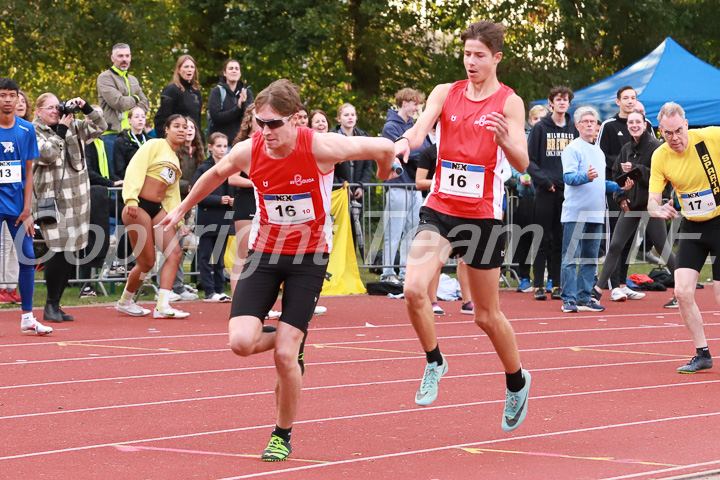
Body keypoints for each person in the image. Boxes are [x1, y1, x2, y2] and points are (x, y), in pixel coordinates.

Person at [157, 79, 396, 461]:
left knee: (285, 357)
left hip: (308, 258)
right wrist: (183, 207)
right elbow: (215, 174)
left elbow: (384, 147)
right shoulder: (249, 149)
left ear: (296, 119)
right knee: (240, 343)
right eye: (258, 122)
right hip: (265, 254)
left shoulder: (320, 146)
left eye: (273, 124)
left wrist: (385, 173)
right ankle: (291, 337)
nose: (264, 131)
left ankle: (281, 434)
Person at [395, 20, 531, 431]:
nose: (471, 62)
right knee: (414, 289)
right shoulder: (444, 92)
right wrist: (405, 142)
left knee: (486, 316)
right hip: (439, 208)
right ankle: (435, 360)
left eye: (479, 56)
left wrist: (506, 140)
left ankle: (516, 381)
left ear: (496, 59)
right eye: (467, 54)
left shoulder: (510, 102)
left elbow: (523, 164)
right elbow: (420, 130)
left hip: (482, 216)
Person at [648, 102, 720, 373]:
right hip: (692, 227)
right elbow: (652, 201)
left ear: (687, 124)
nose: (675, 138)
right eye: (668, 133)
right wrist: (658, 209)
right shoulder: (660, 156)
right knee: (682, 291)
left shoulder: (712, 137)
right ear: (660, 132)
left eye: (679, 130)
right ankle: (702, 354)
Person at [33, 93, 107, 323]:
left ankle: (56, 303)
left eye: (58, 107)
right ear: (38, 111)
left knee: (70, 252)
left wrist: (84, 108)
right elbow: (46, 154)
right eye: (50, 108)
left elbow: (101, 126)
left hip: (78, 200)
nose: (56, 111)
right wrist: (62, 131)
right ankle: (50, 305)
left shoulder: (74, 123)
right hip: (51, 200)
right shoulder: (31, 131)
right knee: (57, 250)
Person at [593, 109, 677, 306]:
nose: (634, 125)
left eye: (638, 122)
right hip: (631, 205)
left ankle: (683, 291)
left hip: (652, 205)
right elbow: (616, 176)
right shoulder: (627, 148)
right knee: (615, 245)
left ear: (645, 124)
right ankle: (597, 290)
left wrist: (637, 171)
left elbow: (664, 179)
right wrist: (620, 195)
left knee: (663, 249)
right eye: (631, 123)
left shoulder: (656, 147)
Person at [116, 114, 192, 318]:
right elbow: (135, 168)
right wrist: (130, 198)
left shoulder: (176, 159)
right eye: (176, 126)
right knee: (147, 263)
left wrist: (179, 219)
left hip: (157, 209)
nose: (182, 130)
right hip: (138, 206)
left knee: (175, 253)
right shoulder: (155, 145)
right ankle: (125, 301)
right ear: (166, 129)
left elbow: (172, 194)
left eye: (185, 127)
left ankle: (162, 306)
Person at [559, 107, 632, 313]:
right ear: (578, 126)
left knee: (590, 258)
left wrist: (619, 186)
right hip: (575, 212)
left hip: (596, 213)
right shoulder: (572, 149)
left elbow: (601, 184)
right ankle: (569, 299)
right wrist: (586, 177)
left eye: (594, 122)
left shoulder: (598, 152)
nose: (591, 124)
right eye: (586, 121)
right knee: (571, 257)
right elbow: (569, 178)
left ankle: (584, 297)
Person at [0, 79, 52, 335]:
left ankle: (28, 318)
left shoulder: (26, 129)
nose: (8, 100)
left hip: (16, 206)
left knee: (28, 257)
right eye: (2, 95)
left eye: (12, 95)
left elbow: (29, 170)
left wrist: (27, 208)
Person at [596, 86, 655, 301]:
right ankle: (612, 287)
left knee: (629, 241)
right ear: (617, 101)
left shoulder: (646, 126)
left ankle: (622, 283)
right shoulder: (608, 126)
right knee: (616, 241)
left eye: (633, 98)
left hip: (641, 194)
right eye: (626, 98)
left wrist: (638, 172)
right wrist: (622, 172)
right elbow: (600, 156)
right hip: (617, 190)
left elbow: (656, 158)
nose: (630, 101)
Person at [526, 86, 578, 301]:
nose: (562, 103)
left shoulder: (573, 129)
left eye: (566, 100)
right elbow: (529, 160)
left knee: (559, 238)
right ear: (551, 103)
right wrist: (545, 182)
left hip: (566, 191)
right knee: (542, 237)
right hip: (545, 190)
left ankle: (556, 283)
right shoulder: (540, 128)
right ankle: (538, 284)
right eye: (558, 99)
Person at [415, 138, 474, 315]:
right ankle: (432, 301)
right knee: (437, 259)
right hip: (439, 210)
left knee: (465, 258)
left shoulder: (466, 150)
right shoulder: (429, 152)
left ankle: (467, 301)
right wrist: (442, 183)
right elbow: (419, 182)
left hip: (464, 208)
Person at [380, 88, 429, 283]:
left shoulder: (414, 126)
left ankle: (405, 272)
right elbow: (403, 152)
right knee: (394, 229)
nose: (417, 107)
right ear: (404, 103)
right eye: (414, 103)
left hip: (413, 185)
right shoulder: (390, 126)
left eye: (418, 104)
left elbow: (422, 150)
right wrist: (416, 151)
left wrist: (415, 150)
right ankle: (387, 272)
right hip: (397, 184)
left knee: (411, 230)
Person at [192, 132, 233, 302]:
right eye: (219, 146)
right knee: (206, 256)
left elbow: (232, 190)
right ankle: (209, 291)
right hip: (208, 218)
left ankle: (219, 289)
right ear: (210, 148)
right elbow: (197, 194)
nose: (222, 149)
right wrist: (219, 200)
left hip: (224, 219)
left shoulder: (230, 167)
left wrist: (232, 200)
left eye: (225, 146)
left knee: (220, 257)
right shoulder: (203, 168)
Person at [97, 43, 150, 167]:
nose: (124, 59)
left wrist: (133, 105)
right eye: (120, 56)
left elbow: (146, 103)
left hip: (132, 136)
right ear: (112, 58)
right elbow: (119, 103)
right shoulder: (105, 78)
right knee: (115, 175)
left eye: (127, 56)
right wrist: (136, 99)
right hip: (112, 134)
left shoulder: (133, 80)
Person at [155, 55, 203, 140]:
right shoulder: (171, 90)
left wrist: (201, 141)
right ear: (178, 69)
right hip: (176, 140)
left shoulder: (196, 92)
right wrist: (165, 142)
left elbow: (197, 121)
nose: (189, 70)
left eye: (192, 67)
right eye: (186, 67)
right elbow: (161, 119)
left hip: (193, 141)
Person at [207, 59, 253, 143]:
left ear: (240, 73)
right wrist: (237, 109)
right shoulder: (217, 91)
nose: (234, 71)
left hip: (241, 143)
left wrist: (243, 104)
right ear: (224, 73)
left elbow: (250, 117)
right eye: (231, 68)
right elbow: (216, 117)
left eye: (236, 69)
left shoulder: (246, 93)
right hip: (221, 144)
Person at [114, 106, 150, 180]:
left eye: (143, 117)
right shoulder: (121, 141)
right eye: (136, 117)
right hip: (131, 182)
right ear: (129, 120)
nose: (140, 119)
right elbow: (119, 168)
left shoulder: (151, 141)